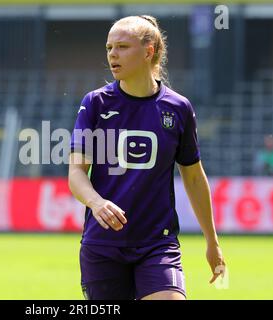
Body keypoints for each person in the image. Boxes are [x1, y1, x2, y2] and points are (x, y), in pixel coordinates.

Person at [68, 15, 226, 300]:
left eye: (122, 47)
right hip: (103, 246)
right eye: (109, 47)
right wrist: (97, 202)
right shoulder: (94, 103)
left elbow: (192, 176)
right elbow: (76, 172)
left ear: (148, 51)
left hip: (158, 243)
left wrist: (212, 241)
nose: (112, 54)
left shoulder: (178, 108)